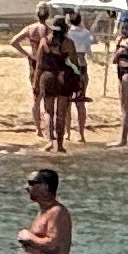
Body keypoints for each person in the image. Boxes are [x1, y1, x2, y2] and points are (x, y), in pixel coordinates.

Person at [17, 168, 72, 254]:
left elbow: (53, 245)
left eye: (31, 183)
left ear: (45, 187)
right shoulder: (43, 212)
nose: (26, 187)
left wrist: (29, 237)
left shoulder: (57, 212)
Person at [34, 20, 80, 154]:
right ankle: (60, 144)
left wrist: (35, 84)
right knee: (61, 113)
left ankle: (50, 142)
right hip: (63, 78)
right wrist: (78, 82)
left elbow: (39, 65)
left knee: (48, 112)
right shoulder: (69, 43)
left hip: (48, 78)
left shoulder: (44, 42)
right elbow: (75, 64)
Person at [8, 12, 52, 133]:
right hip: (47, 64)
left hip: (34, 63)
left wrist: (28, 54)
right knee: (48, 97)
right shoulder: (48, 30)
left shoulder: (30, 28)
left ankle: (38, 128)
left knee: (36, 97)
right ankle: (48, 126)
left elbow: (14, 42)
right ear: (48, 15)